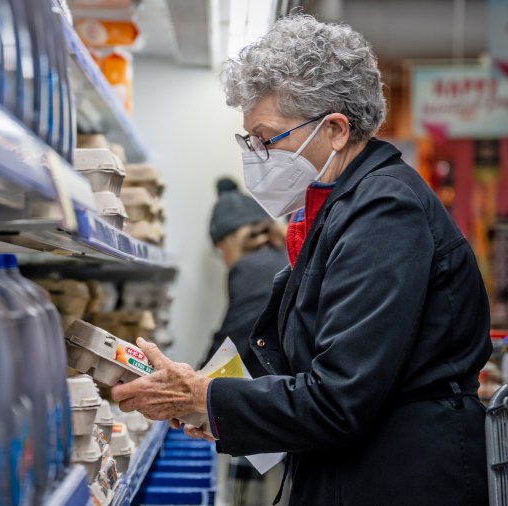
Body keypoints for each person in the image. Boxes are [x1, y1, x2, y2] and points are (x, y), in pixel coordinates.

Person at [112, 13, 492, 506]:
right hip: (357, 470)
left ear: (334, 129)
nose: (255, 157)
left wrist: (204, 397)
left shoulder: (385, 212)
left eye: (267, 139)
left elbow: (339, 398)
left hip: (400, 477)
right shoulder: (339, 208)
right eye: (248, 141)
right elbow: (311, 366)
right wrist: (209, 402)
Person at [204, 177, 289, 506]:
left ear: (230, 240)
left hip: (277, 406)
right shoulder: (281, 254)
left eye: (221, 250)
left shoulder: (250, 267)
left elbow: (234, 335)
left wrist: (190, 383)